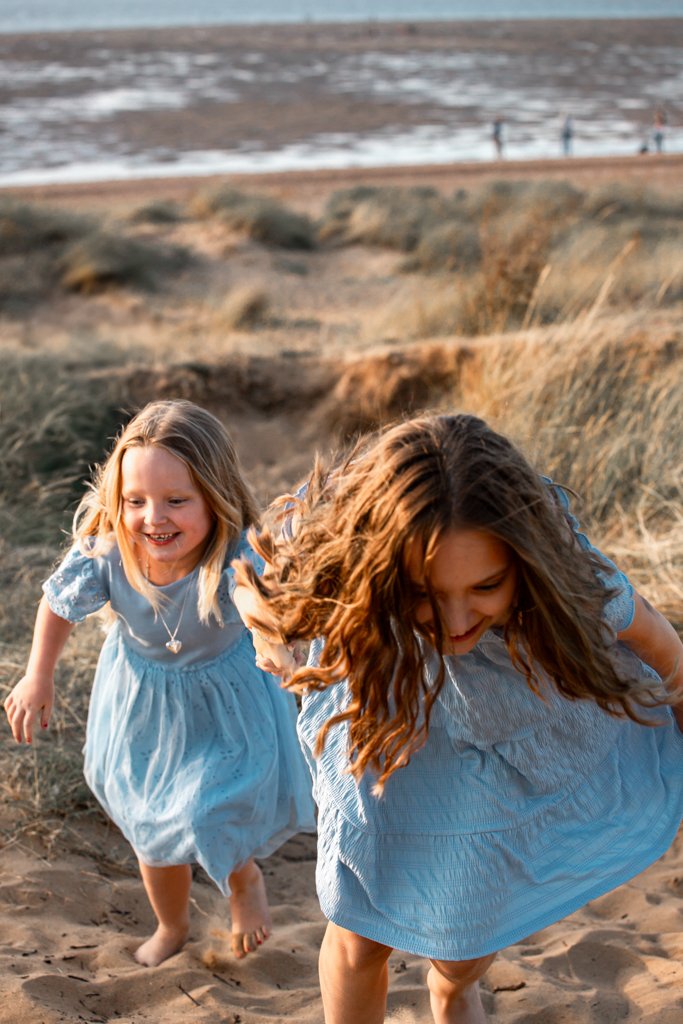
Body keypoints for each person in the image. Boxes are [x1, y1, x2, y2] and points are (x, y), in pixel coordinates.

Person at [233, 413, 683, 1024]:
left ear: (522, 563)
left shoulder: (567, 578)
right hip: (388, 737)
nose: (454, 618)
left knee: (468, 936)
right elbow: (256, 581)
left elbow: (658, 643)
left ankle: (453, 994)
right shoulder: (350, 547)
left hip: (499, 753)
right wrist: (271, 636)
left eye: (485, 586)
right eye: (424, 591)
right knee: (361, 932)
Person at [4, 400, 315, 968]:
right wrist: (37, 675)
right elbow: (57, 606)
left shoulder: (233, 556)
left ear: (213, 496)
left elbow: (261, 608)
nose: (154, 517)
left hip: (226, 701)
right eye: (136, 501)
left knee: (207, 810)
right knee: (151, 826)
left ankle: (243, 880)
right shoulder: (108, 553)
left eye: (177, 500)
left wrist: (279, 644)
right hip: (141, 701)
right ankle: (172, 926)